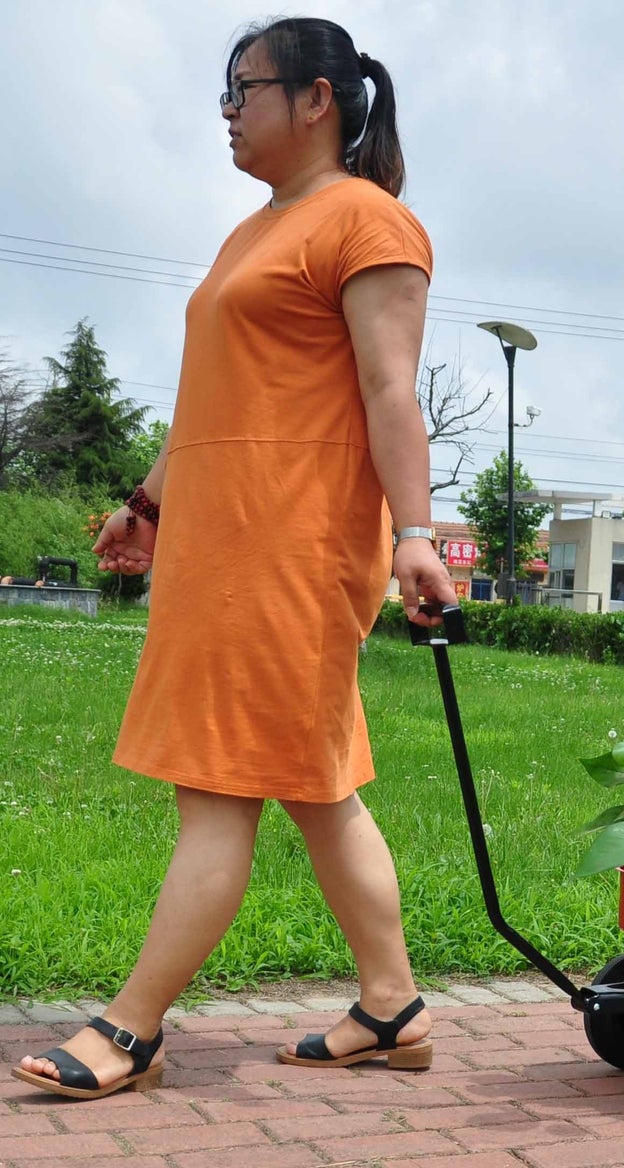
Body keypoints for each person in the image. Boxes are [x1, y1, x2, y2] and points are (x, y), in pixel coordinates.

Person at [14, 17, 457, 1100]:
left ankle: (133, 1026)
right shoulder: (255, 230)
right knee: (321, 789)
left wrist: (414, 531)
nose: (225, 110)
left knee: (216, 791)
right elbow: (215, 396)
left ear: (315, 100)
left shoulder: (370, 222)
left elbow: (391, 392)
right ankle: (393, 1005)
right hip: (221, 544)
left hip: (288, 552)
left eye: (240, 88)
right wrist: (146, 502)